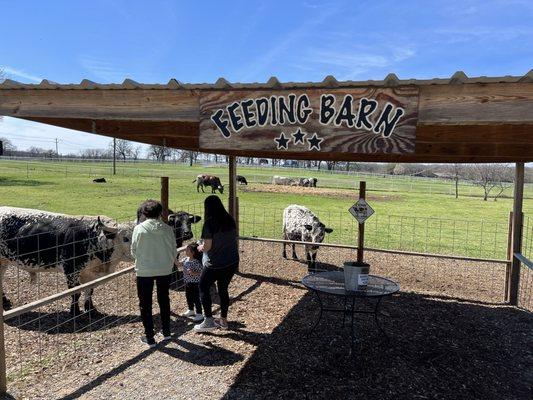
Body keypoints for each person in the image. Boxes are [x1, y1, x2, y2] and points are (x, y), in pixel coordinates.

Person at [131, 199, 177, 347]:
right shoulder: (168, 229)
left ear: (144, 213)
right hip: (164, 269)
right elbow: (173, 250)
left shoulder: (139, 229)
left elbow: (134, 251)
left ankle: (149, 336)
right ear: (160, 213)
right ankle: (167, 332)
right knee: (164, 300)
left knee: (145, 303)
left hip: (144, 271)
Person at [194, 195, 239, 332]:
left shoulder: (209, 223)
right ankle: (223, 320)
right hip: (231, 261)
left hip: (216, 263)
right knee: (223, 289)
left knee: (202, 286)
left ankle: (208, 320)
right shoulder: (230, 219)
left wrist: (200, 247)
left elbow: (207, 246)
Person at [179, 243, 204, 322]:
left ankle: (199, 313)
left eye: (187, 250)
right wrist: (173, 256)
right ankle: (191, 310)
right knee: (188, 296)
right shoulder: (186, 259)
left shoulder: (196, 262)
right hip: (187, 282)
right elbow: (178, 264)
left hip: (195, 283)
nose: (185, 251)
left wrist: (193, 273)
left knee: (196, 298)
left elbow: (201, 272)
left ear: (193, 252)